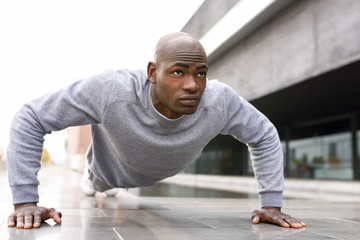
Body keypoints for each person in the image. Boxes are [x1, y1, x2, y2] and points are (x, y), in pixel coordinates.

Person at [7, 32, 306, 229]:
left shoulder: (219, 101)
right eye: (178, 72)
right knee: (95, 187)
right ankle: (93, 183)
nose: (192, 85)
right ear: (153, 73)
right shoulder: (112, 90)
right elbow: (30, 117)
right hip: (105, 173)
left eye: (200, 73)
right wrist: (25, 202)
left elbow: (264, 135)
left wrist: (271, 203)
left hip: (158, 171)